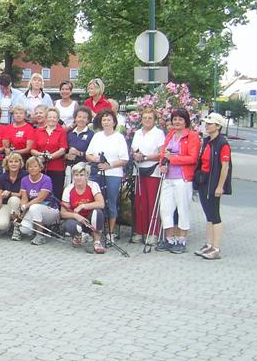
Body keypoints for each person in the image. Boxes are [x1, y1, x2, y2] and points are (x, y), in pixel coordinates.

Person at [156, 108, 201, 254]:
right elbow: (163, 154)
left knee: (183, 209)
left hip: (183, 178)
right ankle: (169, 239)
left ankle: (182, 240)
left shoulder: (192, 137)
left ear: (186, 121)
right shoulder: (170, 135)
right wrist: (162, 164)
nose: (177, 122)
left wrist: (173, 159)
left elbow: (192, 158)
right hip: (168, 177)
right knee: (165, 208)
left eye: (180, 119)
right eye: (175, 119)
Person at [85, 109, 130, 242]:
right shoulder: (97, 136)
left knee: (111, 202)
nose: (106, 122)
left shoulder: (119, 137)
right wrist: (95, 160)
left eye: (109, 119)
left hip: (113, 174)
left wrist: (109, 165)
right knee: (96, 202)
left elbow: (124, 159)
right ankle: (96, 230)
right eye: (104, 119)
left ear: (114, 122)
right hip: (97, 172)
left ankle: (111, 232)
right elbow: (88, 154)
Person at [195, 112, 233, 260]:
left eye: (210, 123)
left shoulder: (222, 143)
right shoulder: (207, 141)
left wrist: (220, 186)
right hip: (204, 181)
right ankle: (209, 244)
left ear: (218, 126)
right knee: (208, 215)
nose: (207, 125)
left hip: (213, 183)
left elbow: (225, 167)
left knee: (214, 215)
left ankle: (216, 248)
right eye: (206, 123)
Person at [130, 107, 165, 244]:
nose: (147, 120)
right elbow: (134, 150)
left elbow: (161, 153)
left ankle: (153, 233)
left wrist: (145, 157)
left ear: (154, 120)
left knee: (152, 202)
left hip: (153, 171)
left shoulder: (159, 133)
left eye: (150, 118)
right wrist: (136, 155)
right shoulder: (137, 133)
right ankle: (140, 231)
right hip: (138, 170)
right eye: (144, 117)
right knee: (140, 202)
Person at [12, 156, 60, 245]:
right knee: (24, 229)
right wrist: (21, 208)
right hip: (34, 208)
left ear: (40, 168)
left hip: (49, 209)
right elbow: (24, 198)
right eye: (30, 166)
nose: (32, 169)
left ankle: (40, 235)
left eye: (35, 166)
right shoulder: (24, 180)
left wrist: (26, 206)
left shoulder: (46, 179)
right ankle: (37, 226)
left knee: (34, 207)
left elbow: (40, 198)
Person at [61, 162, 106, 253]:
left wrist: (83, 206)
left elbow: (101, 204)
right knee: (70, 225)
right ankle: (79, 237)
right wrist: (75, 216)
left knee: (98, 213)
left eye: (82, 175)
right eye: (76, 175)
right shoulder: (68, 189)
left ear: (87, 176)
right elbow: (63, 213)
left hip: (90, 218)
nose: (78, 178)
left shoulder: (93, 185)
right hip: (77, 219)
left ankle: (97, 241)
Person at [32, 107, 69, 200]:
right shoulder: (37, 131)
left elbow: (63, 149)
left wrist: (50, 156)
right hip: (40, 168)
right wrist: (41, 155)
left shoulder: (62, 132)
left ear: (57, 119)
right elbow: (33, 150)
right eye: (50, 117)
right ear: (46, 118)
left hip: (57, 168)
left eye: (54, 117)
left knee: (56, 193)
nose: (52, 119)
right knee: (40, 193)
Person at [0, 153, 24, 233]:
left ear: (20, 164)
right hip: (6, 205)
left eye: (16, 161)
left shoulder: (25, 175)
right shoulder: (1, 178)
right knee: (1, 225)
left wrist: (9, 193)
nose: (13, 164)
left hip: (20, 205)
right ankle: (9, 224)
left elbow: (21, 194)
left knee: (13, 199)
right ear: (7, 164)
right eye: (11, 162)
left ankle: (16, 227)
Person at [64, 106, 94, 182]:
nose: (81, 119)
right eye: (79, 117)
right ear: (75, 118)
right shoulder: (69, 133)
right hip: (69, 169)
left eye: (84, 117)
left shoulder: (91, 135)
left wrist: (78, 153)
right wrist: (67, 156)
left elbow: (93, 154)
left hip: (83, 170)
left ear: (88, 120)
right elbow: (64, 152)